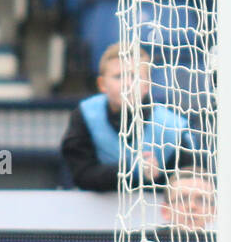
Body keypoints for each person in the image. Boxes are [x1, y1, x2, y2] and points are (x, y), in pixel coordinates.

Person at [60, 43, 194, 192]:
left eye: (135, 76)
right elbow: (81, 175)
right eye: (119, 76)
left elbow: (190, 183)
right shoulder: (86, 115)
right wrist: (131, 168)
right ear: (102, 84)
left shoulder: (172, 127)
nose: (128, 84)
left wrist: (159, 176)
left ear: (147, 84)